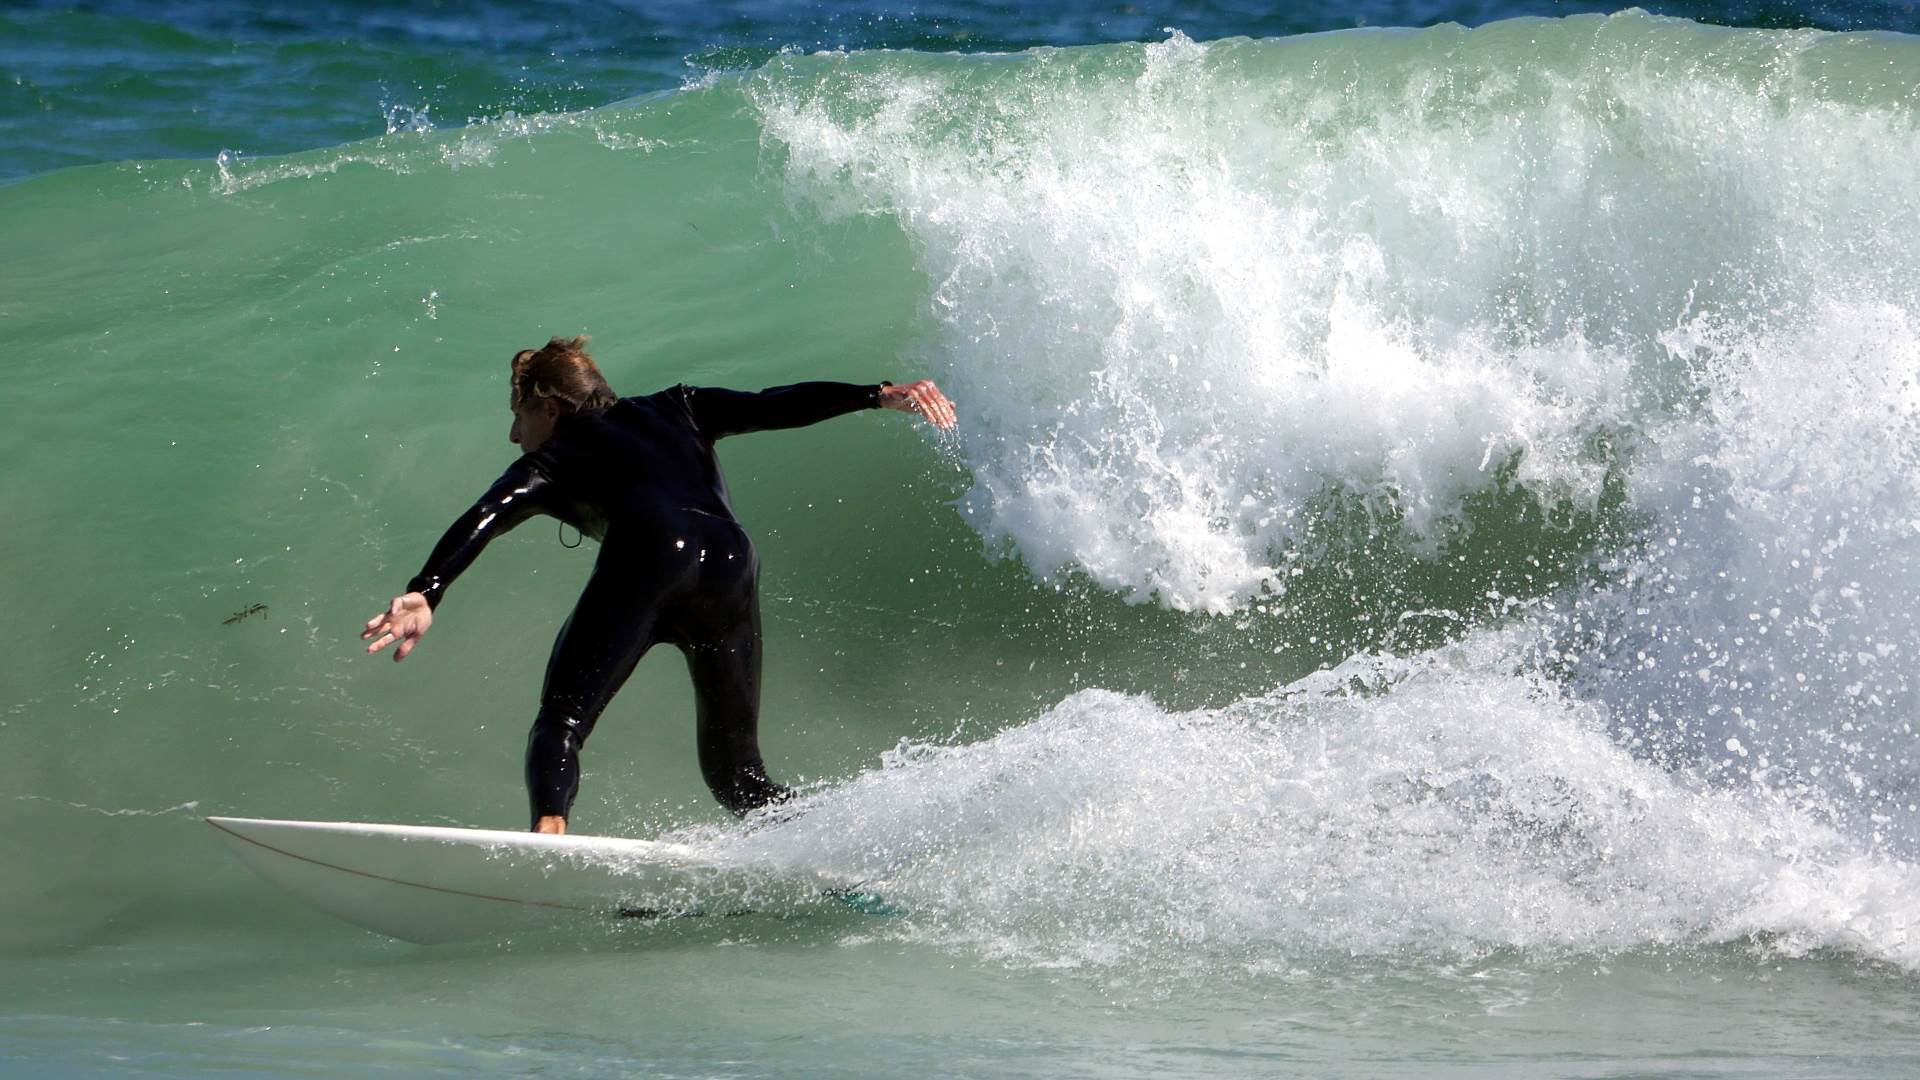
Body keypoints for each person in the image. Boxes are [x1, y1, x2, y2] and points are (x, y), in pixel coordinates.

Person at [361, 336, 957, 834]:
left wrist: (427, 589)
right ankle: (817, 840)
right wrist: (875, 396)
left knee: (562, 722)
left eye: (517, 418)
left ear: (548, 405)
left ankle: (548, 835)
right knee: (735, 775)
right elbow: (771, 404)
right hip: (731, 556)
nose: (515, 437)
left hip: (652, 552)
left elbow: (486, 516)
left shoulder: (553, 458)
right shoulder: (680, 406)